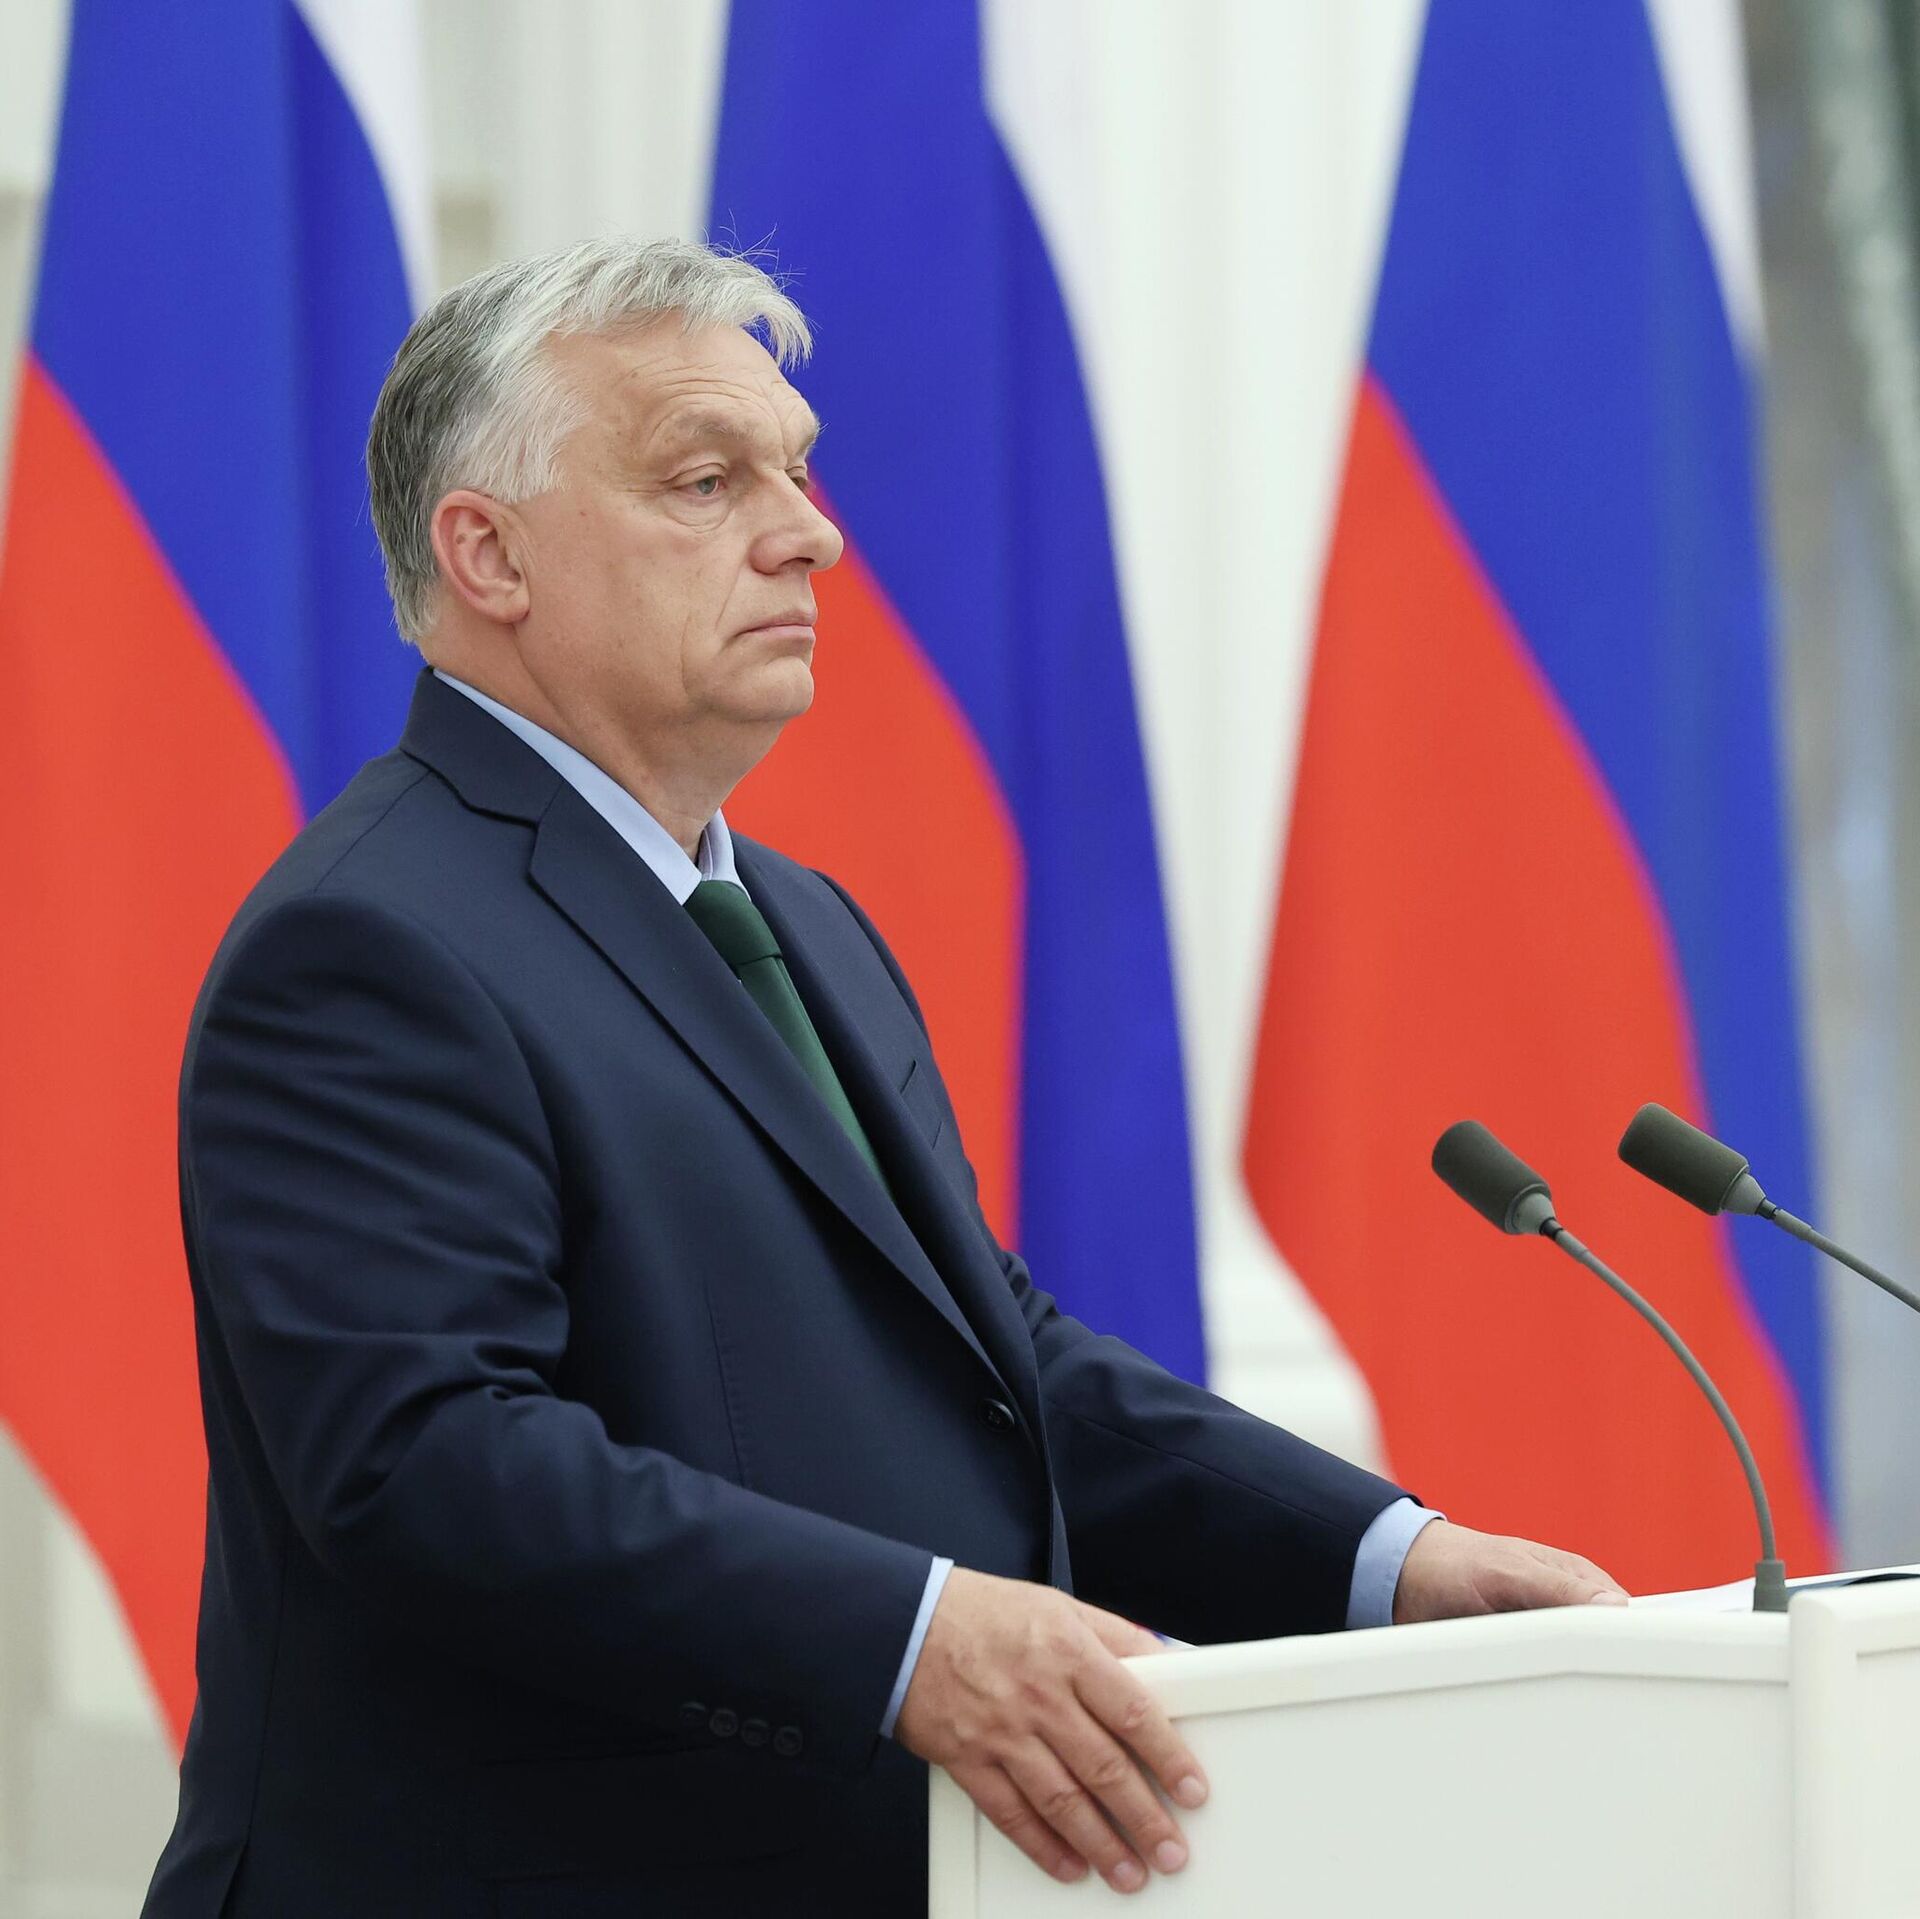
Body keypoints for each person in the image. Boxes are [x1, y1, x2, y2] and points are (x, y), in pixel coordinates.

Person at [142, 238, 1624, 1918]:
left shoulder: (803, 923)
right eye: (708, 480)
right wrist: (912, 1641)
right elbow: (430, 1466)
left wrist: (1387, 1561)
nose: (810, 532)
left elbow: (993, 1362)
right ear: (489, 554)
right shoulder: (368, 946)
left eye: (796, 469)